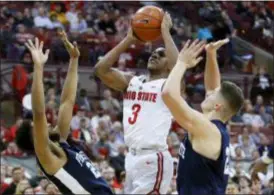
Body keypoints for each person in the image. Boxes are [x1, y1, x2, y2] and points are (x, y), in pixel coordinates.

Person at [15, 33, 113, 194]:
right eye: (38, 127)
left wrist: (74, 60)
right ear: (35, 138)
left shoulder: (60, 143)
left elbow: (67, 102)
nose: (47, 123)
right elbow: (39, 113)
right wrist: (38, 67)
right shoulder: (45, 155)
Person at [95, 12, 178, 194]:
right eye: (154, 53)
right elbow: (101, 70)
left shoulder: (168, 86)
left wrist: (165, 32)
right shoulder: (132, 81)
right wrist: (128, 39)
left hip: (153, 158)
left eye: (161, 54)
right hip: (131, 157)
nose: (154, 55)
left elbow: (178, 65)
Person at [162, 39, 244, 195]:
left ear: (217, 106)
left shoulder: (207, 130)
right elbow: (213, 86)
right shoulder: (214, 127)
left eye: (213, 95)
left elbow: (168, 95)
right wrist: (211, 55)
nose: (209, 92)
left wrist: (181, 63)